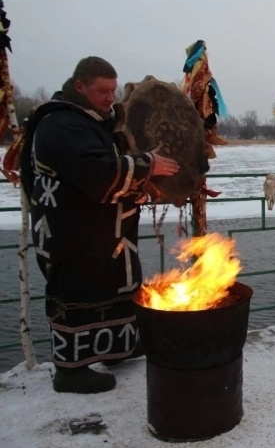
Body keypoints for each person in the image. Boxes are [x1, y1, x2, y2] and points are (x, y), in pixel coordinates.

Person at [18, 56, 179, 394]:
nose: (110, 97)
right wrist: (146, 164)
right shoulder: (61, 124)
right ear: (79, 86)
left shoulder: (92, 120)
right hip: (71, 233)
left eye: (113, 90)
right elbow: (96, 172)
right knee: (77, 290)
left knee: (115, 284)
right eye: (102, 91)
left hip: (105, 232)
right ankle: (71, 370)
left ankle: (118, 348)